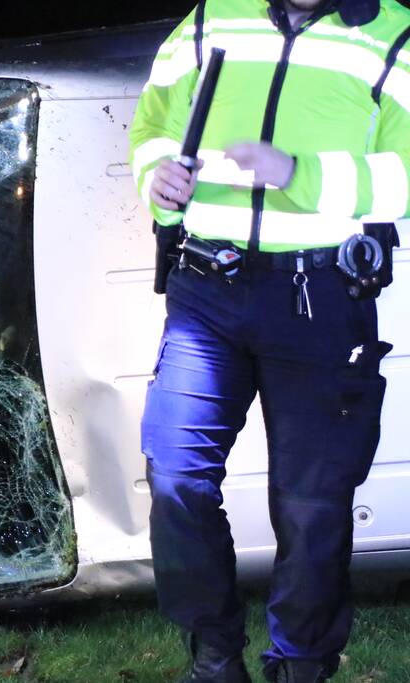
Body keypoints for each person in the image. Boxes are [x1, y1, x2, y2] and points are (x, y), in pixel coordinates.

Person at [128, 0, 410, 681]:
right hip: (205, 292)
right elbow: (153, 127)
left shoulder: (393, 33)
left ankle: (301, 663)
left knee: (311, 501)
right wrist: (157, 176)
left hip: (319, 301)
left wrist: (296, 173)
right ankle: (216, 657)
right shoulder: (211, 17)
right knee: (175, 473)